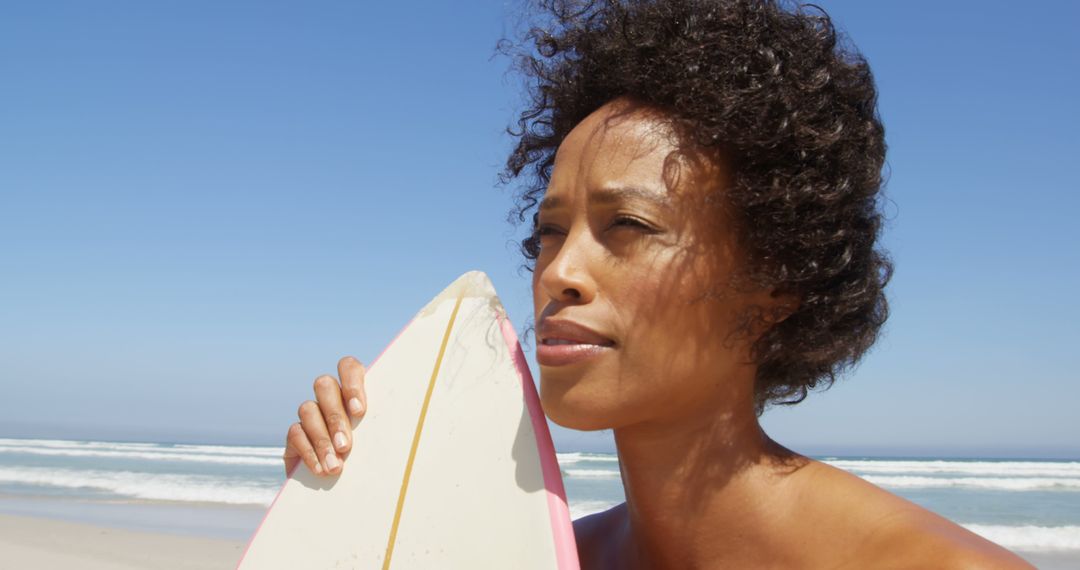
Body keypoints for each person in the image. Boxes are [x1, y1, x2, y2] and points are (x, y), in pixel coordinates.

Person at [281, 1, 1032, 567]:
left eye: (630, 227)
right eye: (549, 232)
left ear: (776, 281)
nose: (559, 274)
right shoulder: (555, 559)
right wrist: (338, 518)